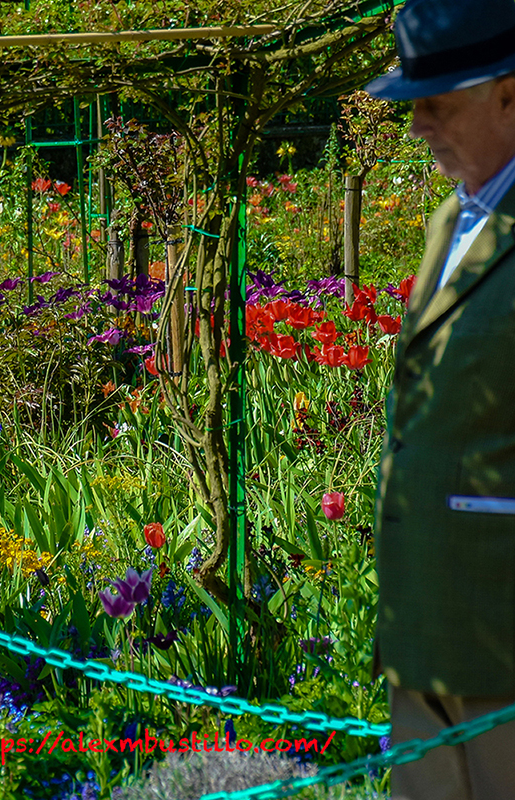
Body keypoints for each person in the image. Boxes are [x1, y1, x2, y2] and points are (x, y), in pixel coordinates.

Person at [364, 1, 515, 798]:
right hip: (426, 637)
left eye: (436, 102)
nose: (417, 126)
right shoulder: (451, 219)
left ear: (509, 94)